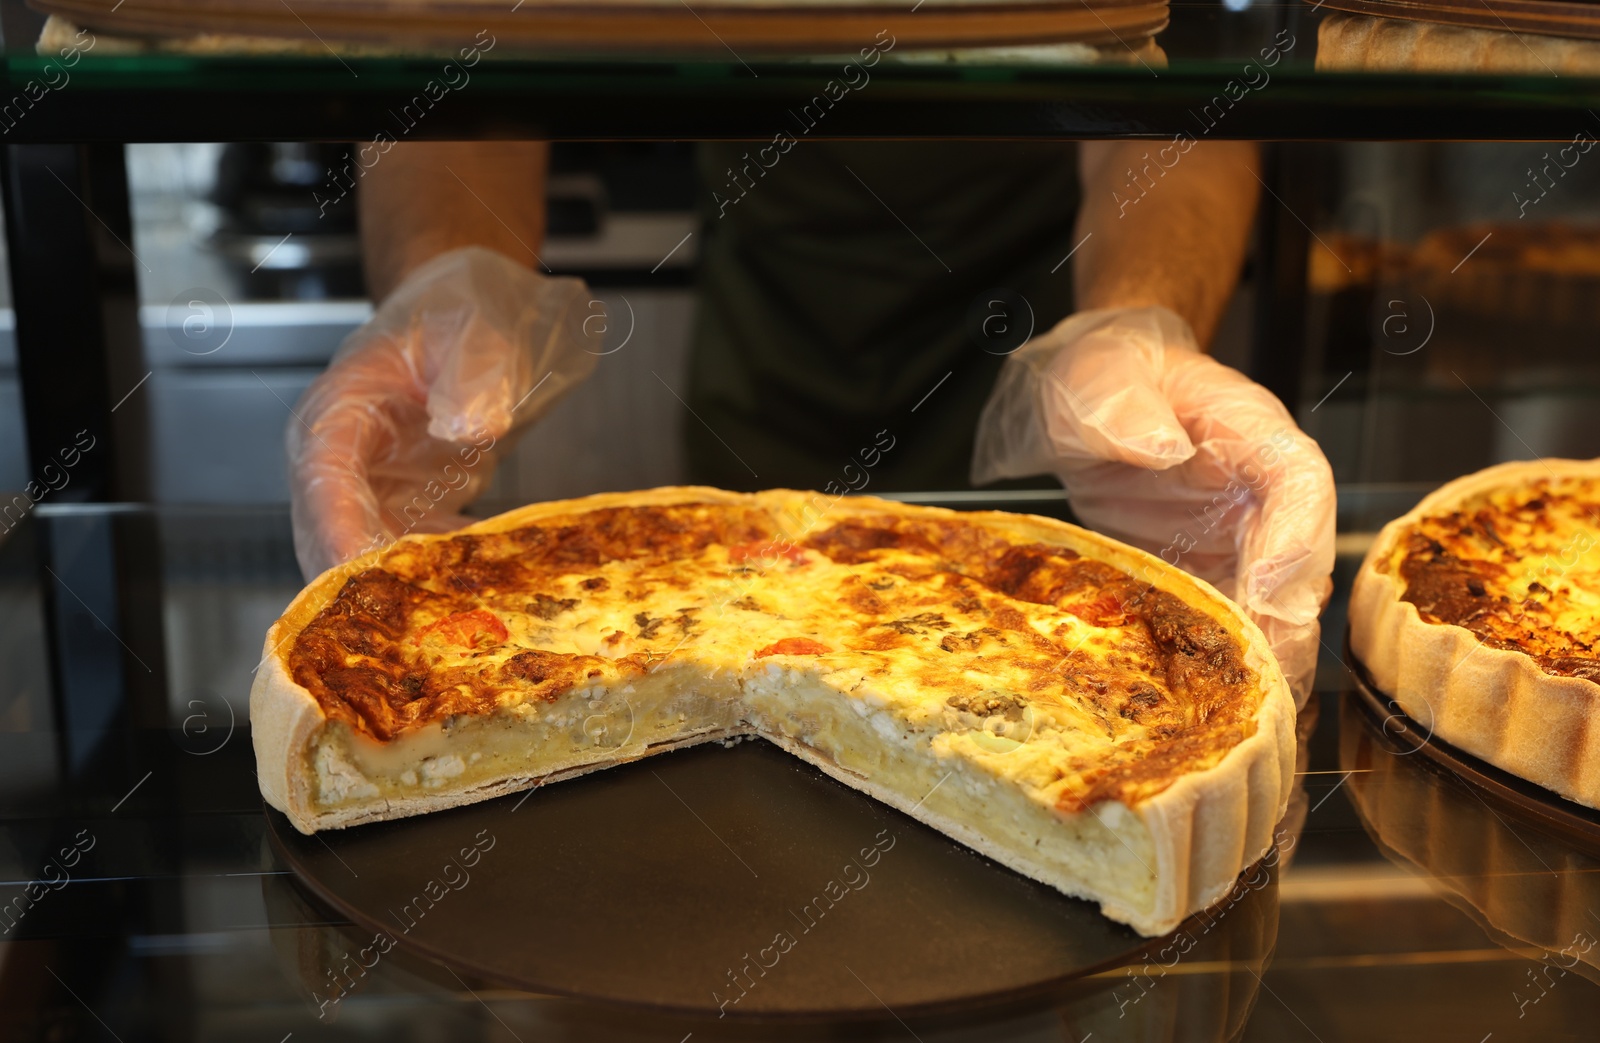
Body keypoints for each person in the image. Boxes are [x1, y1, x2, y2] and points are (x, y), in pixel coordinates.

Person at [287, 140, 1335, 702]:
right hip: (769, 346)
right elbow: (473, 36)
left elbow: (1178, 86)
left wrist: (1136, 323)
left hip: (1039, 338)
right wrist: (446, 282)